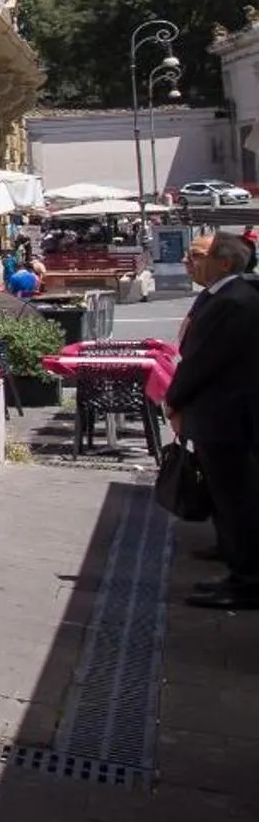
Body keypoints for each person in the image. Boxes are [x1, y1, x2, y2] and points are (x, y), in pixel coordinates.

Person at [165, 231, 259, 610]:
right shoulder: (225, 297)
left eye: (198, 255)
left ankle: (247, 583)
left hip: (228, 420)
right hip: (224, 417)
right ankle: (239, 573)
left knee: (238, 502)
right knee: (230, 501)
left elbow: (203, 362)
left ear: (224, 262)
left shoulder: (234, 302)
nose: (189, 262)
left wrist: (173, 401)